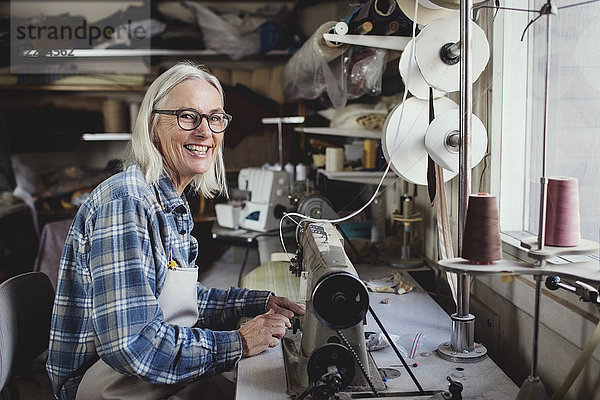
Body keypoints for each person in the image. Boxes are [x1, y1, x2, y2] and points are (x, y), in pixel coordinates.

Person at [46, 61, 305, 400]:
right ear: (153, 126)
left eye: (215, 118)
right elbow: (133, 345)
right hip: (105, 385)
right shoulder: (127, 202)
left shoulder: (167, 202)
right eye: (187, 116)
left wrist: (260, 302)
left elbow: (181, 301)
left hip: (142, 374)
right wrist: (240, 341)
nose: (204, 131)